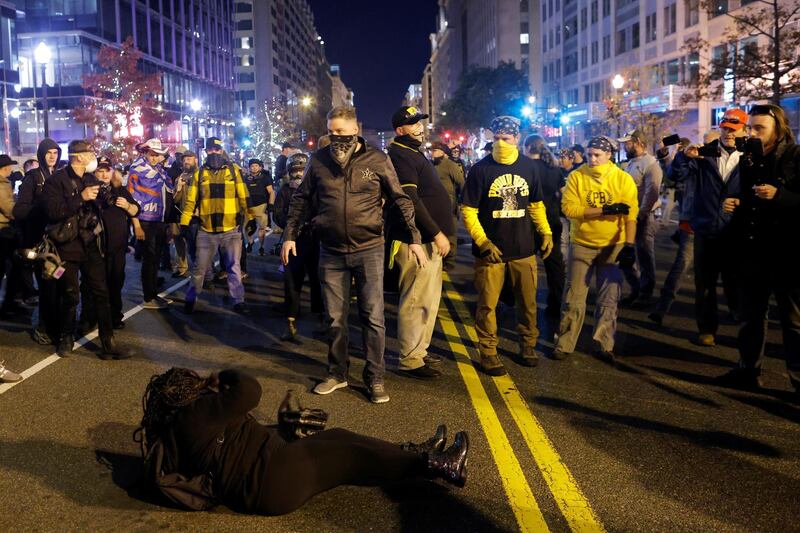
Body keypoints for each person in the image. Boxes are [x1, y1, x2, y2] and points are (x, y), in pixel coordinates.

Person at [134, 367, 469, 515]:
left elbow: (231, 443)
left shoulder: (178, 431)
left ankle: (414, 453)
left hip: (265, 476)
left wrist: (282, 427)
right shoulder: (197, 412)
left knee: (339, 438)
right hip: (271, 479)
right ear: (184, 391)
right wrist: (224, 375)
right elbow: (250, 390)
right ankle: (437, 464)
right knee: (350, 456)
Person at [281, 105, 426, 404]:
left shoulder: (376, 159)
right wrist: (289, 235)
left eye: (342, 132)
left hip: (369, 249)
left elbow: (400, 198)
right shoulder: (318, 161)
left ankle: (375, 378)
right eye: (331, 131)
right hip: (331, 252)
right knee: (335, 319)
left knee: (373, 317)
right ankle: (337, 373)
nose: (336, 137)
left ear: (355, 130)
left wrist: (414, 237)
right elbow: (301, 199)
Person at [460, 116, 553, 376]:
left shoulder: (529, 167)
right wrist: (483, 241)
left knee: (528, 303)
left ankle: (528, 345)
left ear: (517, 138)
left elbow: (536, 205)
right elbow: (468, 210)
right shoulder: (480, 169)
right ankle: (488, 351)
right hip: (491, 253)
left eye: (506, 138)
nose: (500, 143)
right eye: (497, 138)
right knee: (487, 305)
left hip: (523, 249)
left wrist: (545, 232)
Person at [718, 104, 800, 393]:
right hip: (755, 249)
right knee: (751, 314)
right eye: (750, 127)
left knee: (793, 321)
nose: (751, 132)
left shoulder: (795, 156)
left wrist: (780, 196)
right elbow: (748, 197)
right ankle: (748, 370)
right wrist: (737, 203)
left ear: (778, 128)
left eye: (759, 128)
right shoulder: (749, 156)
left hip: (788, 252)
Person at [552, 136, 638, 363]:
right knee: (573, 297)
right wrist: (605, 209)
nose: (592, 159)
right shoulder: (577, 176)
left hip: (613, 244)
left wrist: (629, 245)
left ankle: (604, 345)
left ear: (609, 155)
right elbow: (570, 209)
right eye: (589, 154)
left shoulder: (623, 179)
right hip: (582, 243)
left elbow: (631, 216)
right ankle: (565, 343)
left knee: (609, 298)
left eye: (597, 155)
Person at [42, 140, 131, 359]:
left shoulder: (91, 179)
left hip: (90, 243)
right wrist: (80, 198)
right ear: (79, 157)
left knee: (101, 292)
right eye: (90, 153)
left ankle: (108, 343)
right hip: (68, 245)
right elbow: (53, 212)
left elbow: (104, 201)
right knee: (70, 294)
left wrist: (110, 197)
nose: (93, 157)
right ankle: (66, 337)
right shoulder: (56, 181)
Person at [387, 106, 454, 380]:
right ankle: (410, 359)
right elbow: (410, 200)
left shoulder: (413, 153)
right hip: (417, 241)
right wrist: (436, 232)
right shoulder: (400, 155)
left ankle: (419, 351)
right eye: (413, 123)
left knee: (428, 301)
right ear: (400, 129)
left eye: (420, 122)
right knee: (416, 301)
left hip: (428, 240)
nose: (419, 127)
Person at [649, 130, 729, 332]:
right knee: (681, 267)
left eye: (711, 145)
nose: (707, 149)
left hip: (722, 227)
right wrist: (665, 154)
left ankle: (736, 314)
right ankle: (662, 308)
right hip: (693, 225)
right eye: (704, 144)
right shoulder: (694, 163)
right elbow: (672, 175)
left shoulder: (728, 165)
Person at [180, 137, 253, 315]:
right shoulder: (199, 174)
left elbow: (244, 196)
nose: (213, 152)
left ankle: (239, 300)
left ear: (222, 151)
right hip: (207, 231)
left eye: (216, 149)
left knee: (233, 267)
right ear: (206, 151)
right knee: (199, 268)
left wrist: (250, 218)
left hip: (231, 230)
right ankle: (191, 299)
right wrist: (184, 221)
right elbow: (190, 201)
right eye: (210, 150)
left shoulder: (234, 171)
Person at [77, 156, 140, 333]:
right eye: (100, 171)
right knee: (90, 285)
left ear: (113, 172)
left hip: (117, 248)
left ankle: (114, 316)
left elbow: (136, 211)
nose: (104, 174)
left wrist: (128, 206)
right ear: (94, 172)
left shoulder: (120, 190)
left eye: (107, 171)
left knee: (115, 282)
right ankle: (89, 318)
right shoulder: (89, 191)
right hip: (94, 249)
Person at [12, 139, 61, 343]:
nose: (52, 156)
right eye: (48, 152)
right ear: (41, 154)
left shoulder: (60, 176)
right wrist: (42, 208)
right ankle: (43, 328)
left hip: (60, 241)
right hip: (40, 243)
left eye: (55, 152)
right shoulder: (33, 178)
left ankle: (56, 325)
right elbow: (19, 209)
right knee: (47, 286)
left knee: (60, 285)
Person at [273, 152, 323, 341]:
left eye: (302, 170)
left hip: (315, 240)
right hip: (294, 241)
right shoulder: (285, 190)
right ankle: (291, 320)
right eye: (295, 170)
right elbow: (278, 214)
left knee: (318, 280)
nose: (298, 174)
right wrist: (291, 225)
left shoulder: (317, 188)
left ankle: (320, 318)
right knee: (292, 281)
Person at [617, 129, 662, 305]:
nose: (624, 146)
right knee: (626, 255)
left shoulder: (651, 164)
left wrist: (642, 213)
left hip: (643, 217)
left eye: (627, 143)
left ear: (637, 143)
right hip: (629, 216)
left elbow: (652, 191)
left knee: (644, 256)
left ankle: (645, 293)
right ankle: (635, 289)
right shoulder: (630, 163)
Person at [523, 134, 566, 317]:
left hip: (529, 222)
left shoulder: (524, 168)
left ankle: (525, 302)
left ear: (527, 148)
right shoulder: (554, 169)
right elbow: (563, 194)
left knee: (525, 263)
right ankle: (556, 302)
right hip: (552, 219)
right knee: (554, 264)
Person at [128, 139, 173, 310]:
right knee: (149, 259)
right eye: (151, 154)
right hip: (145, 220)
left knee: (155, 259)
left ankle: (153, 294)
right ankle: (148, 297)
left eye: (157, 155)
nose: (154, 158)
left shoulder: (160, 170)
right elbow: (132, 198)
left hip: (159, 219)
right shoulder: (137, 170)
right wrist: (136, 225)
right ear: (145, 152)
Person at [430, 141, 464, 271]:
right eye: (432, 151)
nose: (433, 153)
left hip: (449, 206)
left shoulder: (450, 165)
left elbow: (462, 183)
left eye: (436, 150)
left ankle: (449, 261)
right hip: (435, 206)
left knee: (450, 233)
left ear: (443, 152)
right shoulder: (431, 165)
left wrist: (462, 202)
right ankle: (439, 259)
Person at [171, 150, 198, 278]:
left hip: (194, 217)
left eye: (189, 159)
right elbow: (175, 199)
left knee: (194, 244)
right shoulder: (179, 178)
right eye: (184, 159)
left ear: (195, 160)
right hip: (179, 215)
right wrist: (179, 189)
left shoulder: (201, 175)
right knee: (178, 241)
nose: (186, 161)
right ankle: (182, 267)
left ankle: (201, 269)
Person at [0, 154, 20, 317]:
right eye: (10, 166)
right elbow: (8, 208)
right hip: (3, 231)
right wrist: (22, 212)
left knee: (11, 268)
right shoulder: (1, 184)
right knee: (10, 267)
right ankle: (7, 306)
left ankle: (10, 303)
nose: (11, 169)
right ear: (5, 168)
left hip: (5, 230)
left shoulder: (4, 183)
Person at [245, 158, 275, 256]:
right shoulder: (245, 178)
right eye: (252, 166)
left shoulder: (265, 178)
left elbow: (271, 192)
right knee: (247, 228)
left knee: (262, 229)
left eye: (256, 166)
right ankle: (250, 242)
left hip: (261, 206)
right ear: (249, 167)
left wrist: (271, 204)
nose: (254, 168)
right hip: (248, 207)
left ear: (260, 167)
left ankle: (261, 247)